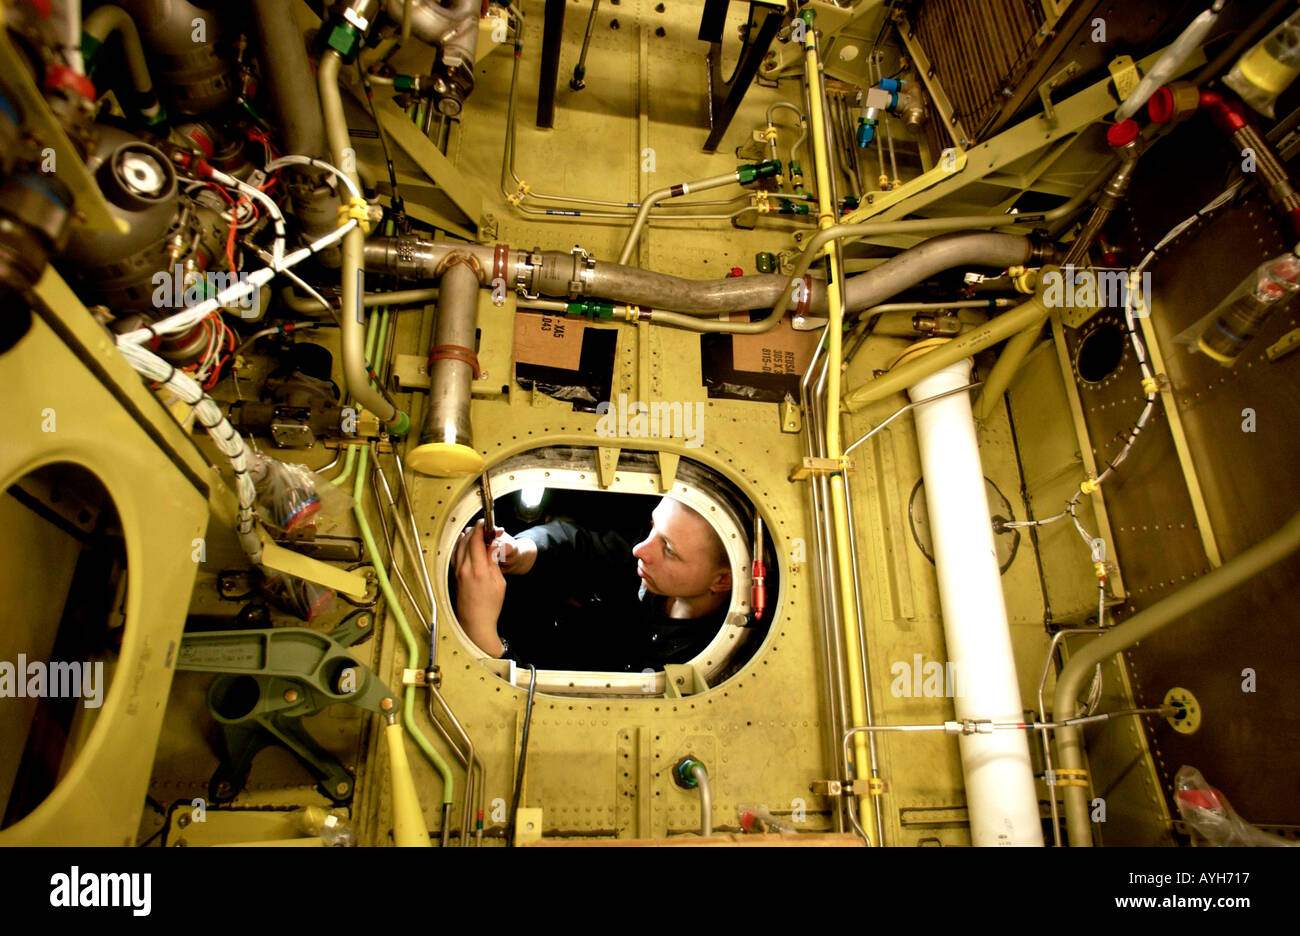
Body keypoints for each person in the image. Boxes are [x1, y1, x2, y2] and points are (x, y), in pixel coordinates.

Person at [453, 496, 733, 671]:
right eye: (652, 527)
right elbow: (585, 546)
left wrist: (485, 641)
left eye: (669, 550)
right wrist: (521, 552)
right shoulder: (653, 563)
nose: (640, 549)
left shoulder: (708, 661)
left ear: (722, 580)